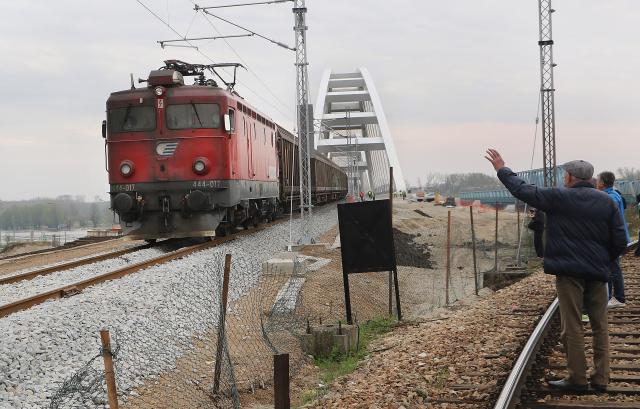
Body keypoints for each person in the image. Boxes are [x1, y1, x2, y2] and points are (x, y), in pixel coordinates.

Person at [485, 149, 628, 392]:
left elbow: (523, 190)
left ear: (570, 177)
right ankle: (601, 379)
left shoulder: (558, 197)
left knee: (572, 324)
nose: (563, 179)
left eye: (565, 175)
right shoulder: (607, 202)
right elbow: (620, 241)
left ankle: (577, 379)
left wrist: (502, 169)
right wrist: (605, 260)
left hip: (569, 272)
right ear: (590, 179)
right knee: (600, 325)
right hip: (598, 271)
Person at [596, 171, 631, 308]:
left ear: (602, 183)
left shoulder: (611, 197)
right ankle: (609, 296)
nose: (596, 183)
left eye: (598, 180)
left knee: (613, 268)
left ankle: (619, 298)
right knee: (610, 267)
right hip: (613, 237)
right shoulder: (612, 195)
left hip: (613, 239)